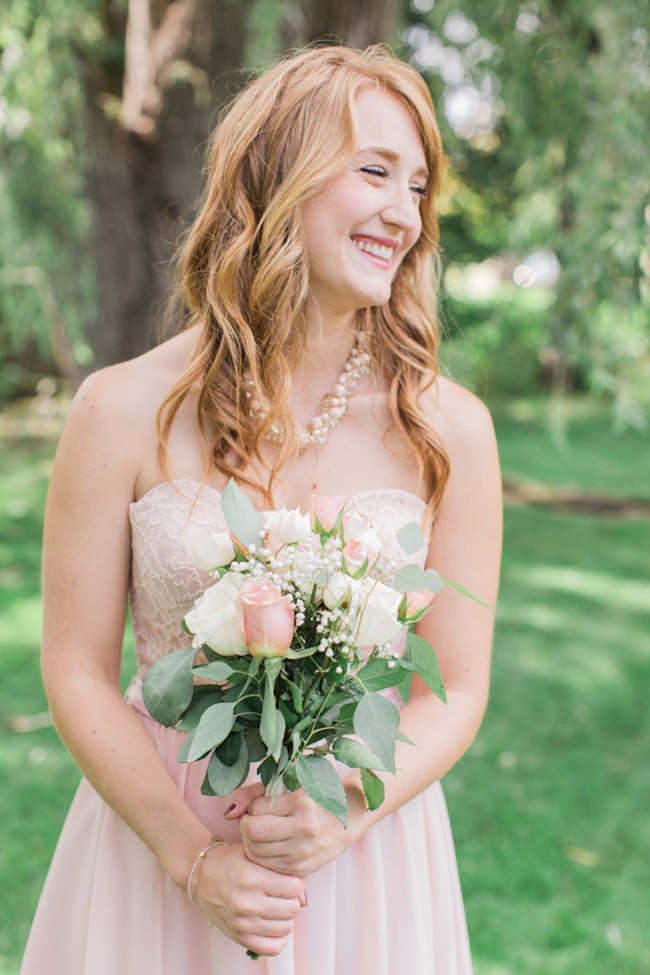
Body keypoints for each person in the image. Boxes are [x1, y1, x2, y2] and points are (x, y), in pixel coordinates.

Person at [21, 44, 502, 974]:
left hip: (362, 854)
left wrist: (344, 811)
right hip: (157, 848)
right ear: (278, 174)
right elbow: (75, 670)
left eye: (417, 186)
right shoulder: (115, 410)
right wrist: (192, 859)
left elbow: (459, 688)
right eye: (374, 172)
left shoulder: (452, 430)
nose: (404, 214)